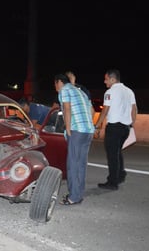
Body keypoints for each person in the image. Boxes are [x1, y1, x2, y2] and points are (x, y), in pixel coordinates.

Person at [54, 74, 95, 205]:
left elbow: (66, 108)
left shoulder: (65, 90)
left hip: (77, 130)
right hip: (88, 131)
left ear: (59, 82)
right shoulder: (80, 91)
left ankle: (73, 197)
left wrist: (68, 128)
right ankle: (78, 194)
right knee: (81, 164)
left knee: (72, 164)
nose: (55, 87)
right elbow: (92, 111)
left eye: (55, 84)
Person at [94, 69, 137, 190]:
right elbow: (134, 110)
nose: (105, 81)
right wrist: (131, 124)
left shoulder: (110, 92)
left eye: (106, 79)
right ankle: (121, 175)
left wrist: (97, 125)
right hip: (125, 128)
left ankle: (113, 182)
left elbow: (105, 110)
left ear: (113, 79)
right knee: (117, 152)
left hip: (114, 128)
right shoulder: (129, 91)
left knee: (112, 155)